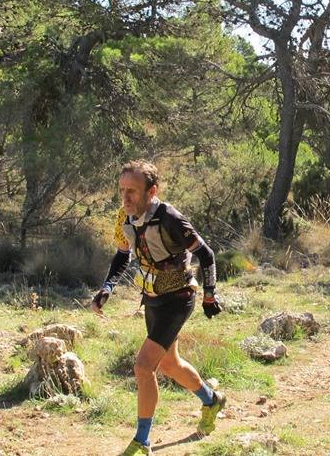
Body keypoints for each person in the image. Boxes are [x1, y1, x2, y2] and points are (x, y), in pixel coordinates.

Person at [91, 160, 225, 456]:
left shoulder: (171, 219)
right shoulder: (125, 217)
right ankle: (211, 400)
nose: (125, 198)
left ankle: (142, 442)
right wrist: (108, 287)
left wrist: (210, 295)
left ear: (152, 191)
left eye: (133, 192)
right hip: (152, 297)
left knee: (143, 366)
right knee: (169, 364)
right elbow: (123, 255)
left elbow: (207, 254)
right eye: (122, 190)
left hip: (178, 298)